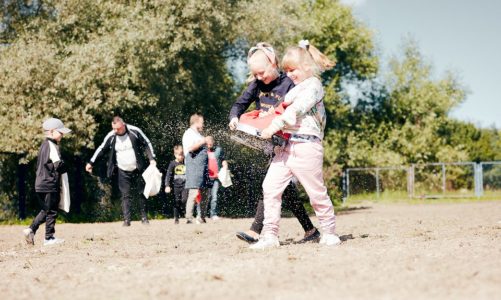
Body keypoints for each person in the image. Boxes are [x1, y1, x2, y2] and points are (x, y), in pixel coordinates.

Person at [250, 40, 340, 249]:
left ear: (307, 67)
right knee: (270, 187)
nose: (289, 75)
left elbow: (295, 110)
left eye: (293, 70)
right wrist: (267, 115)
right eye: (286, 70)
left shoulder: (314, 86)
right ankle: (270, 235)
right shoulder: (295, 89)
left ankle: (329, 232)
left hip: (307, 146)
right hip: (285, 148)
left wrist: (273, 126)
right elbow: (282, 106)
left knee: (316, 192)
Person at [228, 42, 320, 244]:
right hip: (270, 141)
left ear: (273, 64)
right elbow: (240, 104)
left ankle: (255, 230)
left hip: (289, 139)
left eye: (262, 73)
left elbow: (297, 105)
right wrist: (235, 117)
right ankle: (310, 230)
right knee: (281, 187)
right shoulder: (256, 85)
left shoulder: (289, 82)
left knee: (272, 185)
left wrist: (276, 112)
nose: (259, 78)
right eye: (255, 75)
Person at [85, 116, 156, 226]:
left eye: (118, 129)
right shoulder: (112, 135)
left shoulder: (134, 131)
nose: (116, 131)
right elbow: (102, 149)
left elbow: (147, 143)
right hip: (122, 170)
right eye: (114, 129)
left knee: (142, 193)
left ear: (123, 125)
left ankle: (144, 218)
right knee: (125, 195)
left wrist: (152, 158)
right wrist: (91, 162)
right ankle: (127, 220)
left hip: (138, 168)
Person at [23, 118, 71, 246]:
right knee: (52, 211)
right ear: (52, 131)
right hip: (50, 183)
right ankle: (48, 238)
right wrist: (66, 168)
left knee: (46, 210)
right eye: (60, 132)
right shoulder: (52, 145)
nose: (63, 135)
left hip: (40, 183)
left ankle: (31, 230)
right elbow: (58, 164)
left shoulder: (44, 145)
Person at [182, 113, 210, 224]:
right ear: (196, 122)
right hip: (193, 165)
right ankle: (189, 218)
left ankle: (202, 217)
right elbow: (190, 149)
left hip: (202, 166)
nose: (203, 124)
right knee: (193, 192)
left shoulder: (198, 134)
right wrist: (203, 141)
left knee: (205, 192)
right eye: (202, 122)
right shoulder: (189, 133)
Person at [196, 136, 227, 221]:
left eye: (210, 143)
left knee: (214, 197)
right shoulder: (202, 151)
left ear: (213, 142)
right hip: (205, 178)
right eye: (207, 143)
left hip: (216, 178)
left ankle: (213, 214)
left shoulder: (218, 150)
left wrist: (225, 165)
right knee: (202, 197)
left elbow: (223, 159)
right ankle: (200, 214)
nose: (209, 145)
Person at [164, 145, 188, 224]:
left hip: (185, 185)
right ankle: (176, 218)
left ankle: (187, 215)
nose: (181, 156)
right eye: (179, 155)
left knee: (185, 200)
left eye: (182, 154)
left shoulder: (186, 162)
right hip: (176, 187)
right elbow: (168, 175)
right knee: (176, 201)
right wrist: (167, 185)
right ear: (175, 154)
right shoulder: (172, 164)